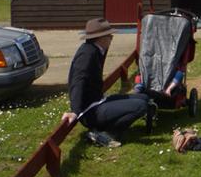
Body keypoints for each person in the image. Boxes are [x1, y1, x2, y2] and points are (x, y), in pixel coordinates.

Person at [62, 18, 152, 147]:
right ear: (100, 38)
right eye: (109, 35)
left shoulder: (96, 50)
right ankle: (106, 134)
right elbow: (78, 81)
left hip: (98, 101)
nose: (111, 37)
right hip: (90, 111)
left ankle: (105, 129)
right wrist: (75, 111)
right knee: (140, 106)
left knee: (144, 98)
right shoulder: (87, 54)